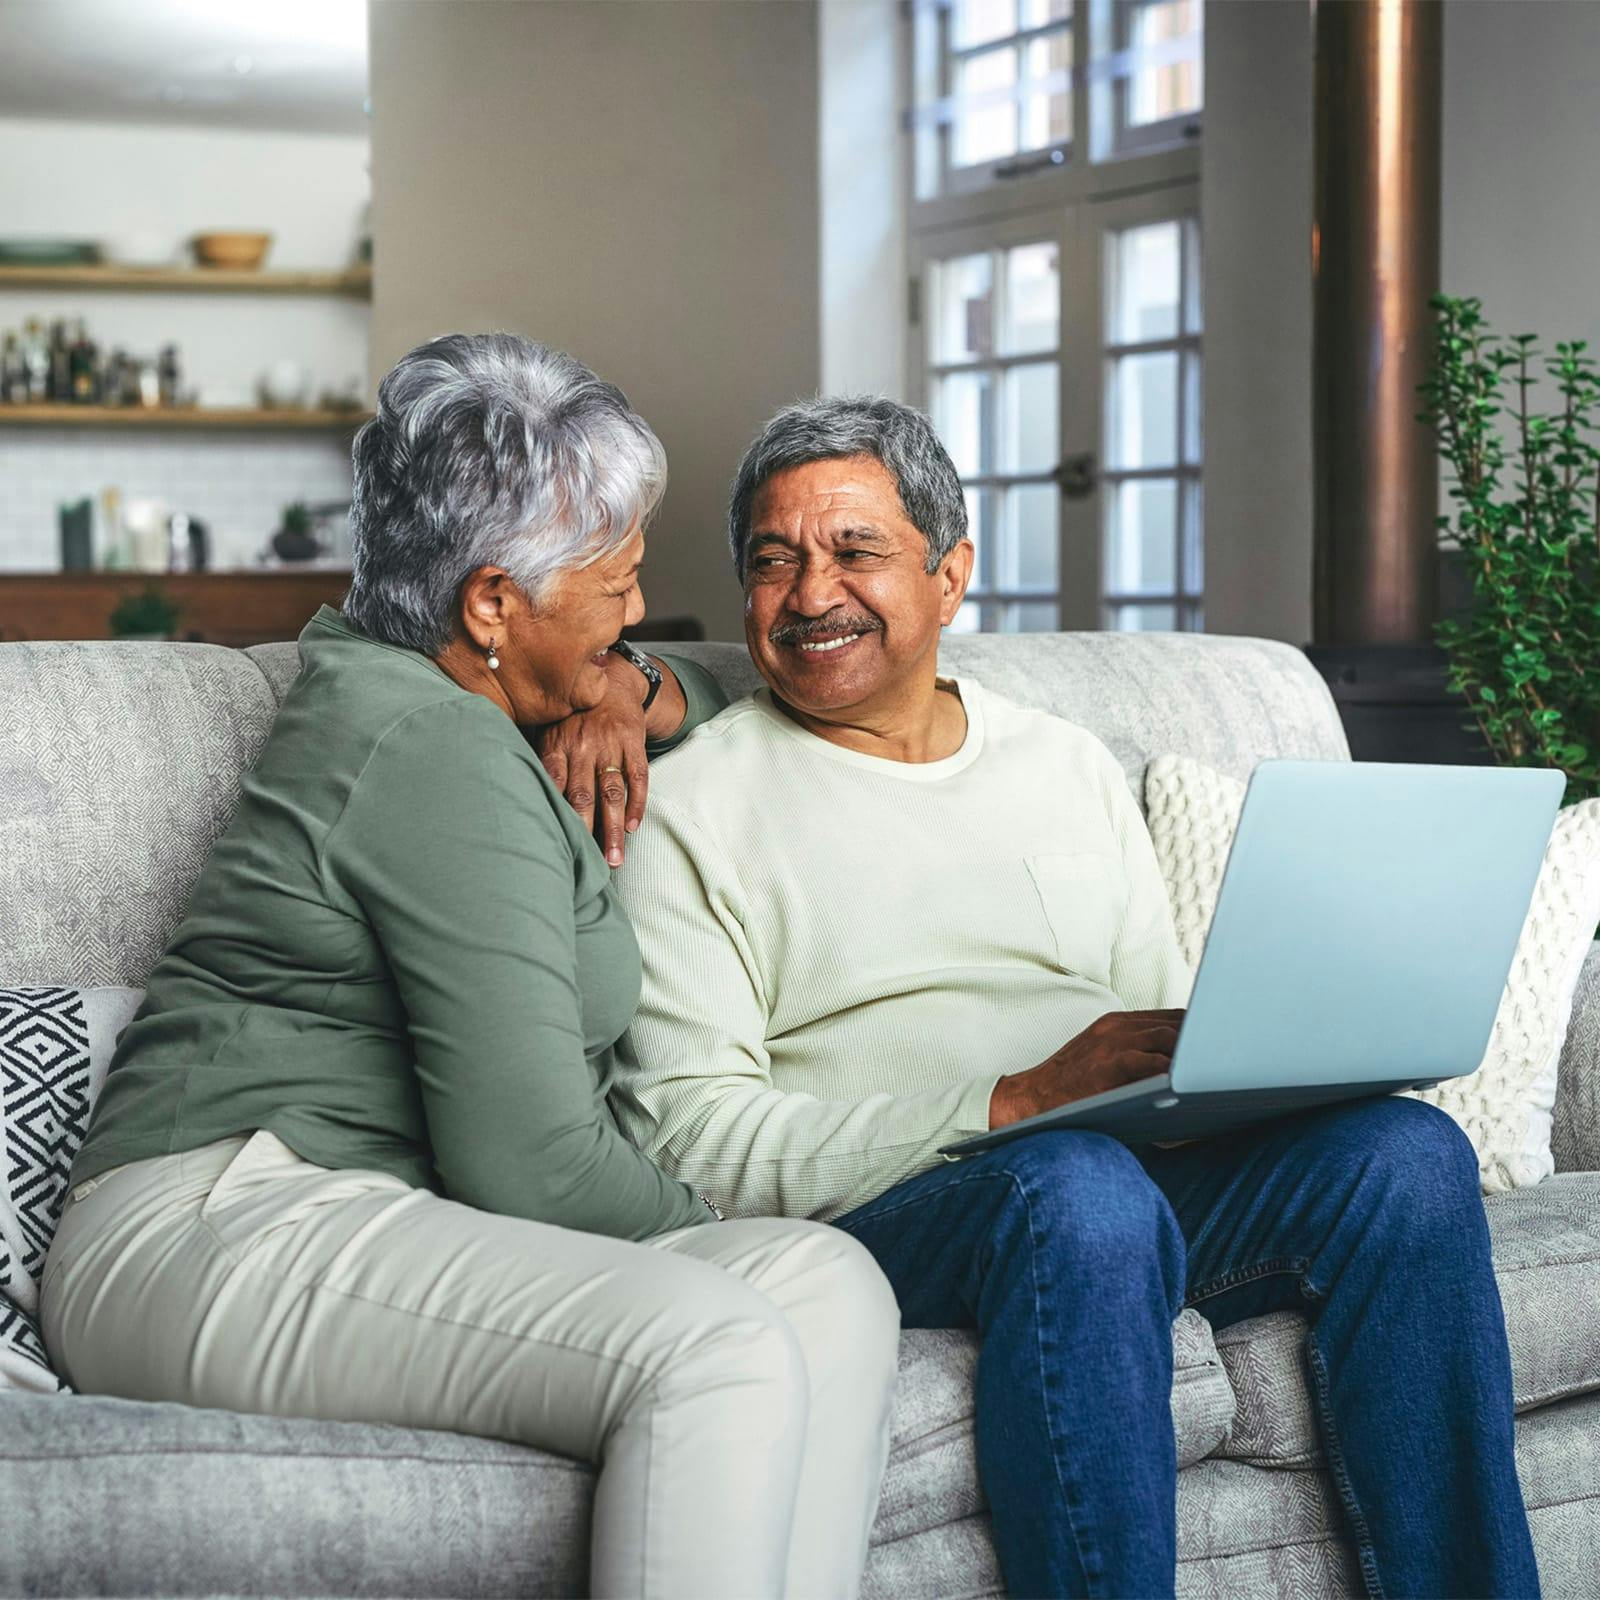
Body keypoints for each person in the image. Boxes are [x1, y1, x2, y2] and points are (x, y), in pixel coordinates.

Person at [609, 395, 1541, 1600]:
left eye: (854, 552)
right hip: (891, 1212)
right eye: (771, 560)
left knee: (1404, 1152)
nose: (807, 592)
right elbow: (690, 1137)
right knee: (1076, 1187)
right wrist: (1011, 1100)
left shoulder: (1061, 765)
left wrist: (1280, 1065)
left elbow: (1157, 1047)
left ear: (950, 577)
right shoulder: (688, 807)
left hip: (1103, 1181)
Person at [41, 340, 901, 1600]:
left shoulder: (451, 689)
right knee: (717, 1341)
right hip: (213, 1222)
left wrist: (632, 689)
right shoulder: (430, 747)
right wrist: (709, 1227)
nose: (631, 609)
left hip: (344, 1208)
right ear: (491, 605)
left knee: (826, 1282)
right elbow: (531, 1161)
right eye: (613, 584)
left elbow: (726, 687)